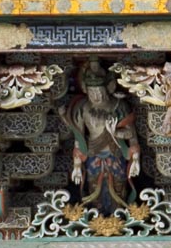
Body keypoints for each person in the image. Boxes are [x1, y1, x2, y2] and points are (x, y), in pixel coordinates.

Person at [60, 60, 140, 214]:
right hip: (92, 152)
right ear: (86, 90)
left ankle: (119, 214)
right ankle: (95, 215)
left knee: (118, 183)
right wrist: (77, 165)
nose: (96, 96)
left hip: (115, 151)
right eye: (92, 92)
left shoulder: (119, 106)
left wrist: (135, 158)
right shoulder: (83, 108)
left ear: (108, 88)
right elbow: (79, 138)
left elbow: (131, 135)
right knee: (94, 184)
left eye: (99, 92)